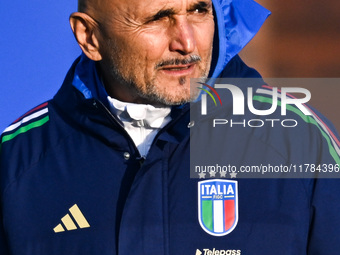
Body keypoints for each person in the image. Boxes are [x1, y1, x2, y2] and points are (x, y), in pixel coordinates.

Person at [1, 0, 340, 254]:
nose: (187, 43)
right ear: (90, 37)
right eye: (158, 18)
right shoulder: (17, 164)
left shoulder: (296, 141)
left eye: (198, 10)